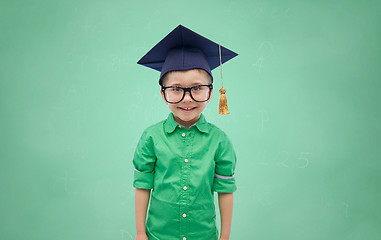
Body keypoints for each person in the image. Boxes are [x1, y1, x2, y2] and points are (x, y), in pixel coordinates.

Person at [133, 25, 238, 240]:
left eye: (197, 88)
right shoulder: (151, 137)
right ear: (164, 94)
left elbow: (225, 189)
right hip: (159, 235)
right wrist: (140, 232)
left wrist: (225, 237)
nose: (187, 98)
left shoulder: (219, 141)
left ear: (210, 92)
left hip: (203, 235)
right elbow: (143, 185)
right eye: (177, 89)